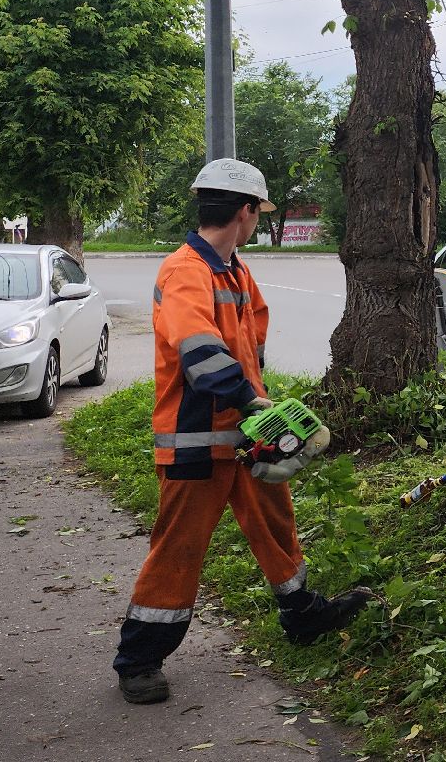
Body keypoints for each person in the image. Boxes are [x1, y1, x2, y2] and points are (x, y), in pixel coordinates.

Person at [114, 159, 374, 705]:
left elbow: (247, 352)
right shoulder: (185, 270)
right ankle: (138, 660)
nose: (257, 220)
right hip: (198, 441)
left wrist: (263, 407)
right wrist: (251, 400)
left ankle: (302, 615)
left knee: (278, 527)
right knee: (178, 549)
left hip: (247, 434)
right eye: (258, 211)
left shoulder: (235, 271)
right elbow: (198, 351)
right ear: (245, 210)